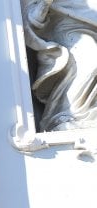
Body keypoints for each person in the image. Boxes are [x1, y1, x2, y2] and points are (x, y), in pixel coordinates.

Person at [22, 0, 97, 131]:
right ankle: (68, 114)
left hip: (92, 27)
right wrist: (45, 3)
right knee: (91, 57)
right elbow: (30, 19)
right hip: (65, 27)